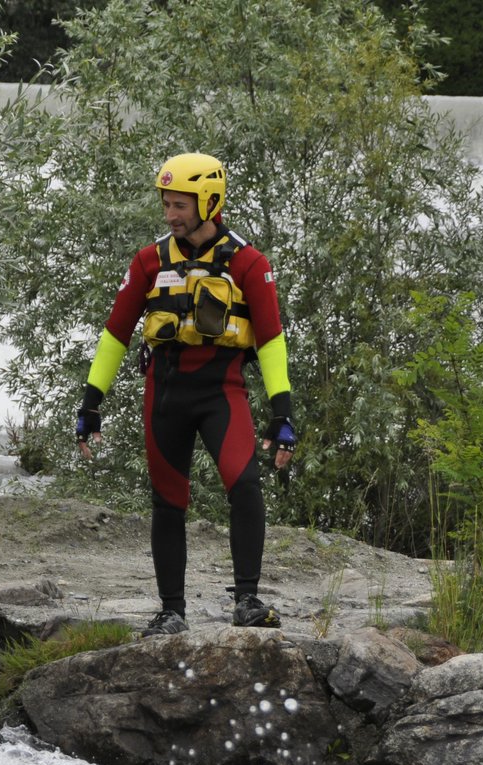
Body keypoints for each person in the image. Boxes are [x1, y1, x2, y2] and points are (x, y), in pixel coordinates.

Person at [75, 152, 296, 636]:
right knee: (168, 501)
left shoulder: (249, 263)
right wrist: (91, 403)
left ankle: (248, 600)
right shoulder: (149, 260)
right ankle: (172, 610)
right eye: (167, 204)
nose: (171, 214)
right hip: (165, 395)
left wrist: (283, 414)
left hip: (222, 391)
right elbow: (115, 334)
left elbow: (273, 339)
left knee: (244, 486)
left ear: (210, 202)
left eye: (180, 205)